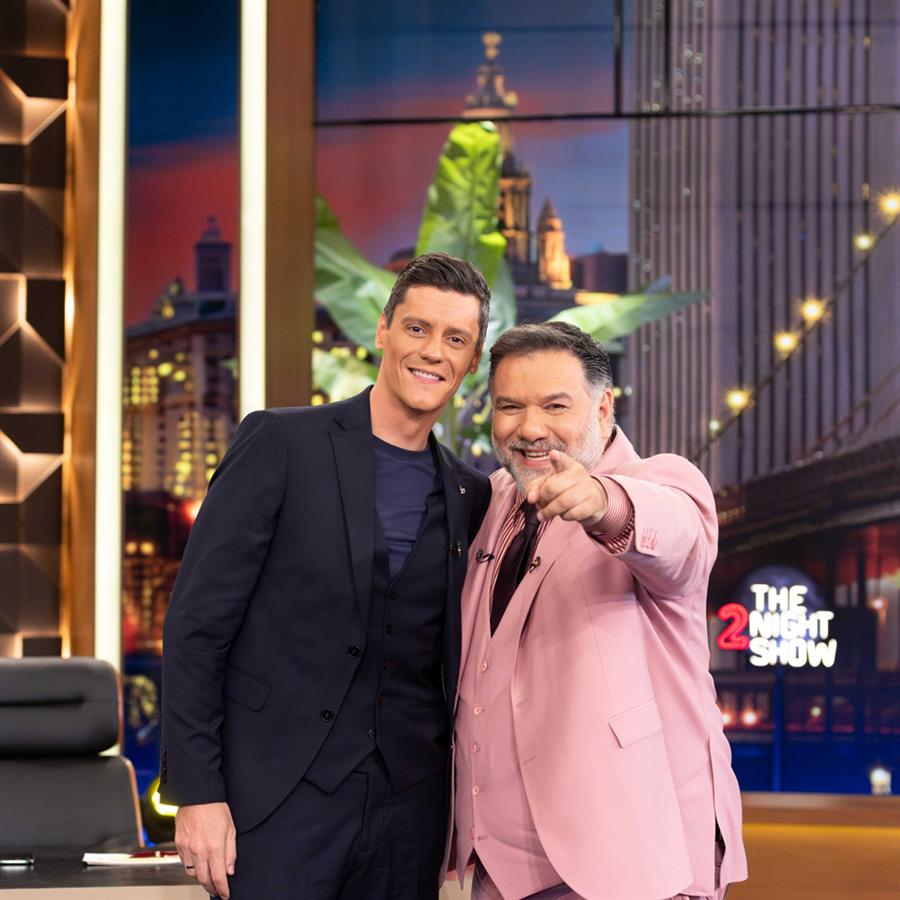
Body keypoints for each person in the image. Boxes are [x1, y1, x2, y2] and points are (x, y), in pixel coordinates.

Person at [160, 252, 492, 899]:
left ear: (472, 360)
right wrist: (197, 793)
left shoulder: (470, 493)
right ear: (383, 330)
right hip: (276, 800)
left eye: (456, 339)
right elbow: (197, 628)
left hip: (410, 811)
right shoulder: (280, 444)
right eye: (417, 328)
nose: (433, 351)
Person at [449, 322, 748, 900]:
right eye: (510, 406)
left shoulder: (660, 480)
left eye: (555, 405)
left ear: (604, 406)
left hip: (634, 862)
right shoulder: (494, 500)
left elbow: (677, 536)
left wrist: (602, 503)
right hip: (500, 870)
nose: (530, 428)